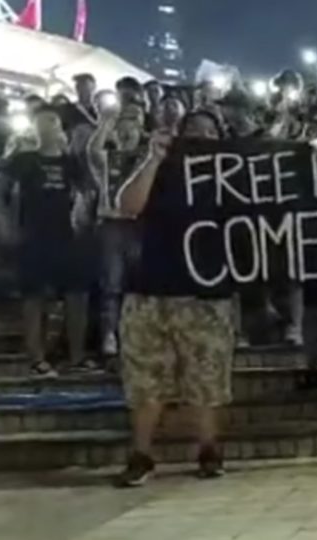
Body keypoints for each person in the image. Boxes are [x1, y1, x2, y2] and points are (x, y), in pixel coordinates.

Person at [112, 111, 235, 487]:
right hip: (150, 290)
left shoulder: (233, 176)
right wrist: (154, 158)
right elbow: (128, 205)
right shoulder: (159, 169)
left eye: (209, 132)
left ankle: (209, 450)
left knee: (207, 379)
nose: (201, 138)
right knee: (146, 381)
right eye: (193, 132)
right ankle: (142, 454)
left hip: (206, 294)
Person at [0, 106, 93, 378]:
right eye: (41, 122)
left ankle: (77, 357)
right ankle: (37, 358)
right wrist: (4, 225)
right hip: (34, 236)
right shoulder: (23, 160)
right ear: (34, 129)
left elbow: (88, 192)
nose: (47, 126)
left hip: (68, 237)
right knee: (34, 298)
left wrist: (82, 214)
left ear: (60, 127)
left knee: (77, 295)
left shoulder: (72, 163)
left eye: (52, 121)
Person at [87, 102, 147, 358]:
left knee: (139, 283)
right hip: (112, 224)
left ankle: (135, 333)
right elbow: (92, 150)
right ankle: (109, 334)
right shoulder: (107, 159)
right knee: (112, 283)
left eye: (131, 129)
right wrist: (106, 122)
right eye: (122, 130)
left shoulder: (146, 159)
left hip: (139, 224)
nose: (126, 134)